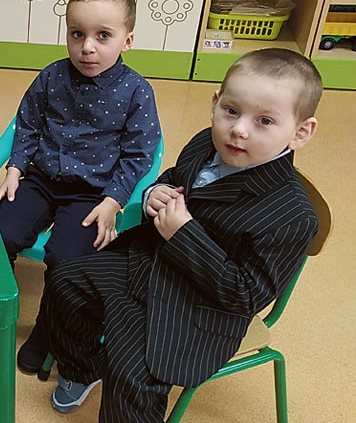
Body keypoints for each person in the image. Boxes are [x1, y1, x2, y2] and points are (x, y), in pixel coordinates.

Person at [41, 48, 322, 422]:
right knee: (64, 282)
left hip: (198, 308)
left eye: (265, 121)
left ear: (301, 132)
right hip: (149, 263)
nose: (239, 129)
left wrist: (184, 234)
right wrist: (155, 191)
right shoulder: (208, 141)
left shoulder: (293, 217)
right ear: (215, 103)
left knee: (131, 376)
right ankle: (83, 369)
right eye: (232, 111)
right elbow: (176, 177)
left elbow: (245, 295)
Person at [0, 0, 161, 371]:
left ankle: (48, 329)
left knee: (67, 259)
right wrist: (15, 168)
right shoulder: (51, 75)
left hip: (92, 194)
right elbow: (27, 124)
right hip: (40, 178)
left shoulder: (137, 91)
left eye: (103, 35)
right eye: (77, 33)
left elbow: (140, 155)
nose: (87, 47)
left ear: (128, 40)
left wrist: (113, 201)